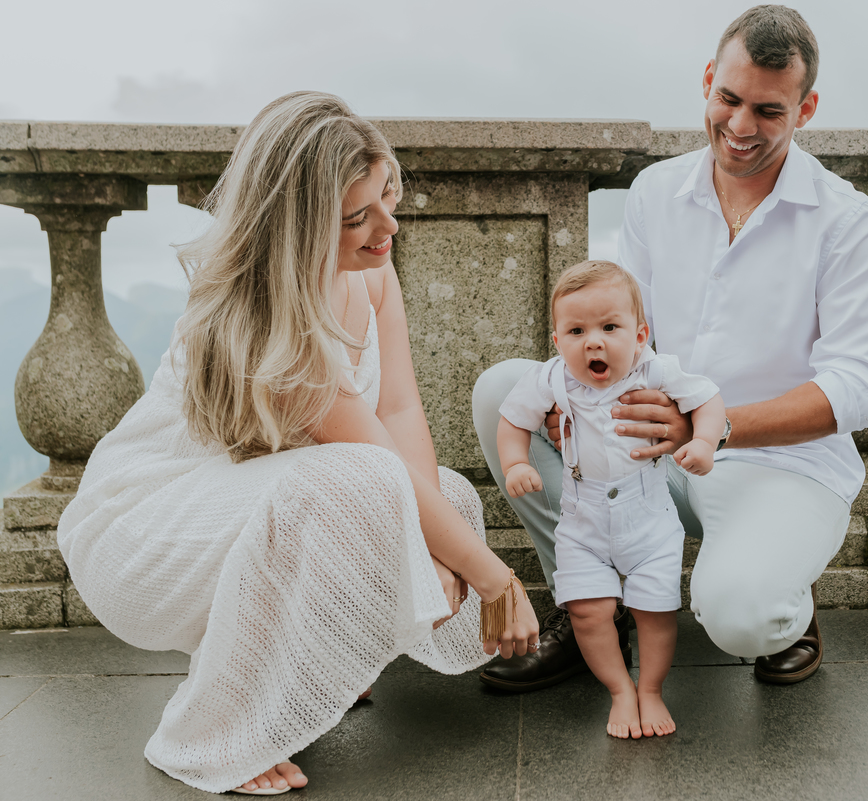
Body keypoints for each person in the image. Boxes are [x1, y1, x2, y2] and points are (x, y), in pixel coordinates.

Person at [57, 91, 538, 796]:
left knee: (448, 500)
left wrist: (444, 545)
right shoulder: (265, 314)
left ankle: (310, 665)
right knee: (358, 486)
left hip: (261, 502)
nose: (388, 227)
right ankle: (217, 727)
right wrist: (495, 576)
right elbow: (372, 461)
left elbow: (400, 408)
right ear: (297, 226)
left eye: (386, 197)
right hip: (150, 528)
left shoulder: (371, 271)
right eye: (357, 217)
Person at [472, 5, 868, 691]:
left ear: (806, 107)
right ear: (707, 81)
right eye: (728, 99)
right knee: (504, 392)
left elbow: (861, 387)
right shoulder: (654, 192)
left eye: (768, 110)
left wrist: (716, 425)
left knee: (740, 615)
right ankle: (593, 610)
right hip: (655, 448)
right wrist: (576, 400)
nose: (739, 126)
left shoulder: (847, 222)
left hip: (782, 465)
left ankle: (785, 605)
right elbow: (622, 330)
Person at [498, 260, 724, 738]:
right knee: (588, 609)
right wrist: (517, 461)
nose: (593, 342)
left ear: (640, 335)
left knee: (655, 609)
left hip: (649, 515)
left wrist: (703, 441)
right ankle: (620, 689)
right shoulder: (553, 378)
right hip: (583, 518)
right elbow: (514, 418)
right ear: (557, 341)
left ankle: (651, 689)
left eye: (609, 327)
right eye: (577, 330)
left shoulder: (654, 369)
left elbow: (707, 399)